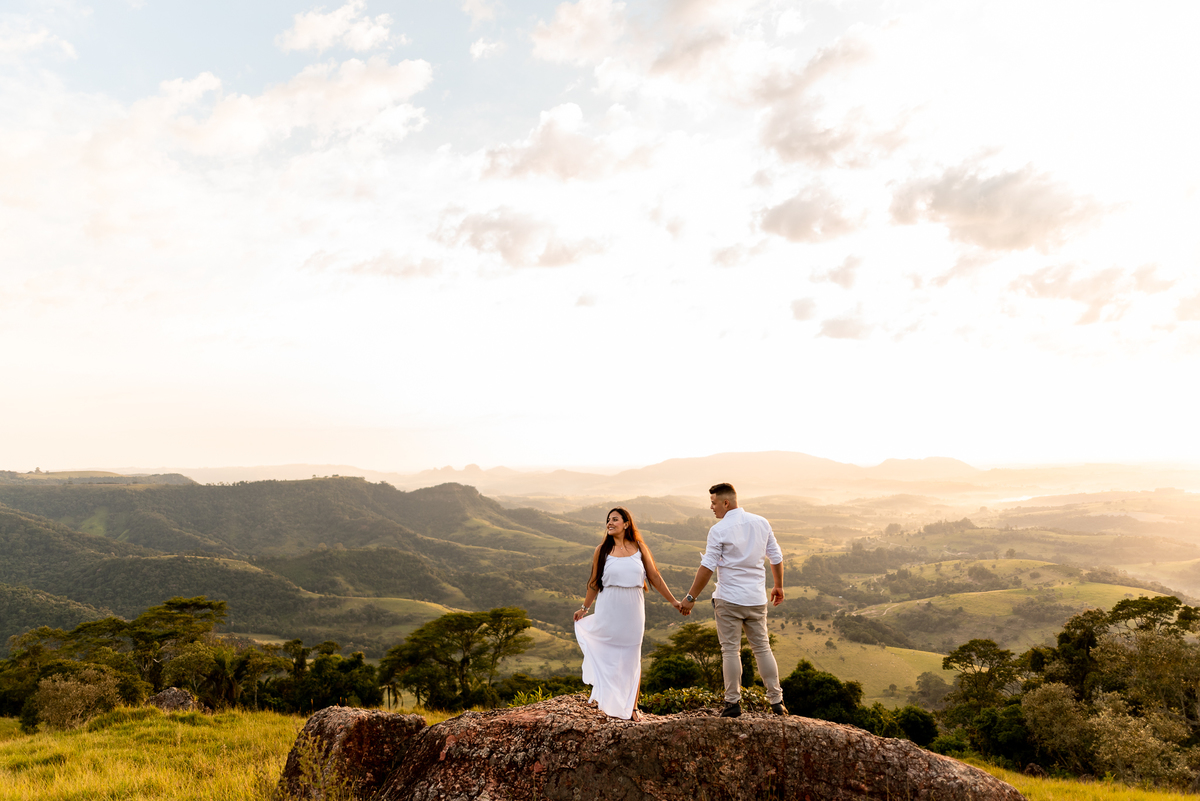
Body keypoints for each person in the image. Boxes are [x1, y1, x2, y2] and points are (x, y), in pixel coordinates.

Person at [679, 483, 787, 717]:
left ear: (726, 503)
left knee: (730, 650)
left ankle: (732, 703)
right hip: (756, 599)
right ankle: (777, 701)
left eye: (714, 502)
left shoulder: (719, 530)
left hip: (729, 599)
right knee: (763, 648)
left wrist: (690, 597)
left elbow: (707, 567)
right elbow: (776, 557)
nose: (711, 507)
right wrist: (778, 586)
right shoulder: (761, 523)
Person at [574, 507, 682, 721]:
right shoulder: (601, 550)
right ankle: (608, 701)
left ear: (626, 524)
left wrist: (674, 601)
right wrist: (585, 608)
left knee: (632, 655)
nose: (609, 523)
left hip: (633, 608)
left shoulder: (640, 548)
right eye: (608, 520)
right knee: (608, 654)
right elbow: (594, 583)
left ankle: (632, 706)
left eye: (615, 519)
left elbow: (655, 577)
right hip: (608, 607)